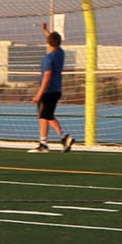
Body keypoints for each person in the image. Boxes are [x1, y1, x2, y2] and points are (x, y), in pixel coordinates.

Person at [32, 23, 74, 152]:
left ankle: (44, 144)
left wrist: (39, 94)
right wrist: (45, 30)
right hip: (57, 90)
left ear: (48, 42)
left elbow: (47, 76)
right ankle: (63, 138)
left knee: (43, 116)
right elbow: (52, 39)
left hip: (48, 91)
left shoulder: (48, 58)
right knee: (48, 115)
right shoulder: (60, 53)